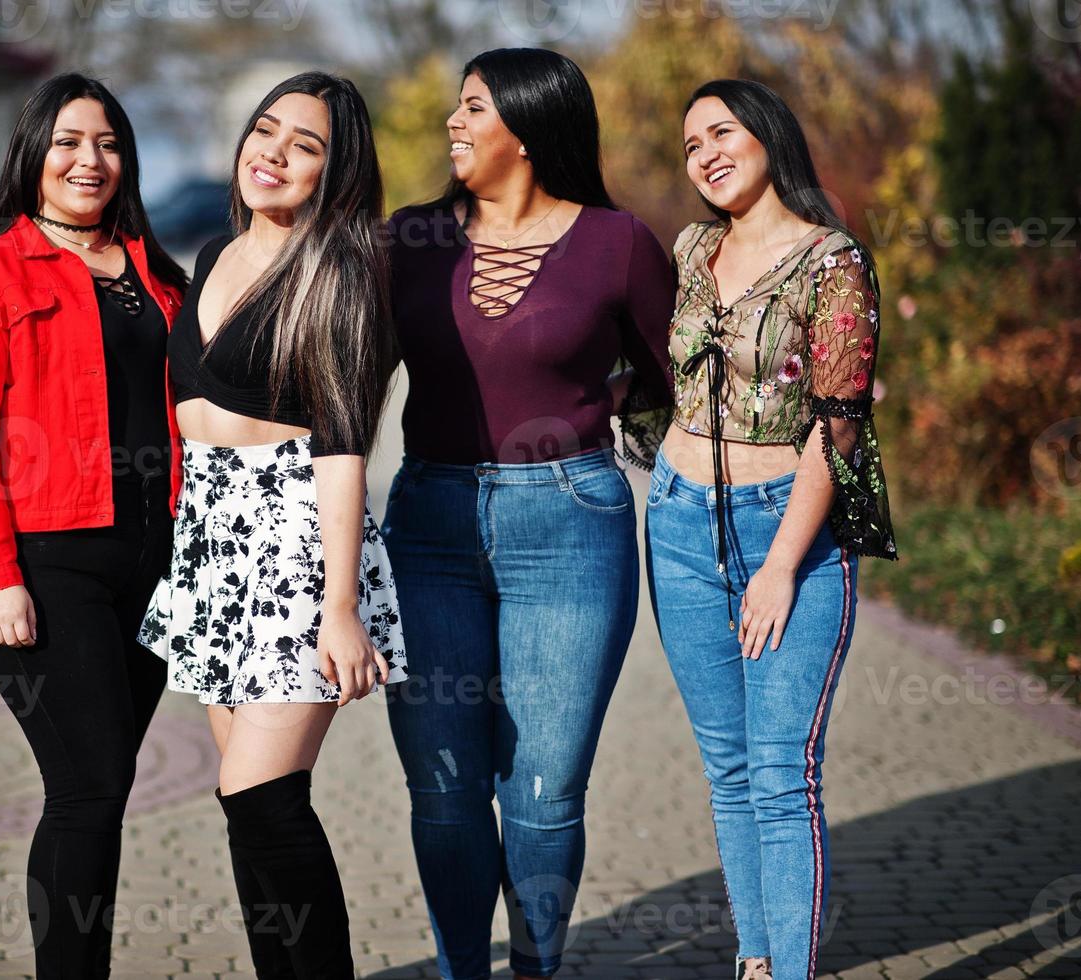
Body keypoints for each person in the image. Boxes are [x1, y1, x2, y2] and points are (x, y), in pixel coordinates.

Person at [382, 47, 676, 980]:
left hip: (570, 529)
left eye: (471, 108)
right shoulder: (410, 238)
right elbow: (342, 378)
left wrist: (601, 408)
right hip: (427, 524)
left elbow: (677, 378)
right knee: (445, 790)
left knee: (545, 794)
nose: (452, 124)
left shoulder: (615, 240)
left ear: (526, 124)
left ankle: (535, 970)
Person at [137, 71, 407, 979]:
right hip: (214, 540)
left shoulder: (338, 273)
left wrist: (340, 609)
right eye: (265, 130)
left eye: (306, 145)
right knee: (249, 809)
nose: (275, 153)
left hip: (294, 540)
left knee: (261, 802)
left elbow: (341, 446)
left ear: (335, 173)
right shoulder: (212, 256)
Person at [0, 72, 189, 979]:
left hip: (153, 561)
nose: (90, 160)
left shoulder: (156, 271)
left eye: (108, 143)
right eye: (70, 141)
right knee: (88, 787)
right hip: (47, 565)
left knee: (98, 793)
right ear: (32, 152)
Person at [647, 78, 898, 980]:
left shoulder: (832, 261)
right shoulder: (690, 248)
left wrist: (782, 565)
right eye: (689, 145)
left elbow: (839, 429)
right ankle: (753, 961)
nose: (705, 153)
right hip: (676, 522)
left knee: (781, 774)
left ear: (767, 136)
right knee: (726, 768)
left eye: (721, 132)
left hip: (783, 530)